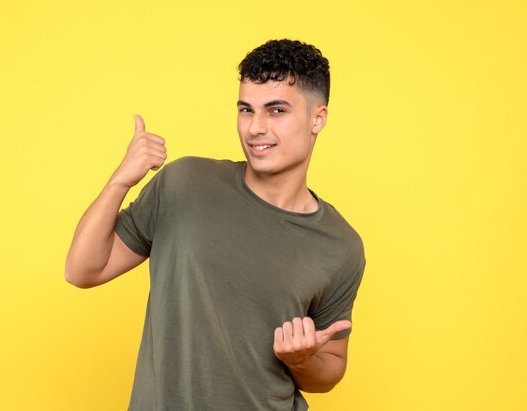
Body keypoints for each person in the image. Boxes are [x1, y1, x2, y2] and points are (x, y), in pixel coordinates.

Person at [65, 39, 365, 410]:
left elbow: (331, 367)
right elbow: (82, 270)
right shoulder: (185, 184)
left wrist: (302, 359)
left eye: (276, 111)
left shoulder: (339, 245)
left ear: (317, 118)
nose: (255, 128)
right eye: (246, 109)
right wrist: (120, 181)